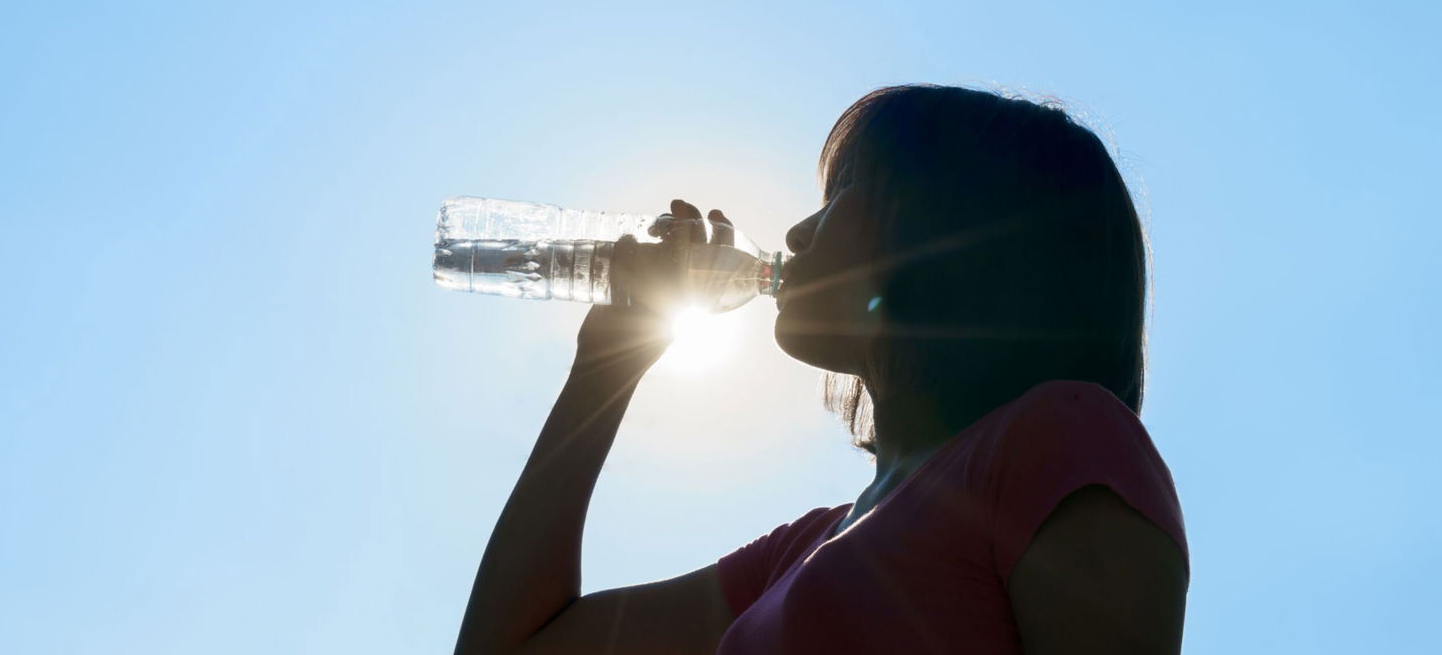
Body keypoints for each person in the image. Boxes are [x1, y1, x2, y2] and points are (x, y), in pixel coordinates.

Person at [452, 84, 1189, 655]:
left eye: (839, 198)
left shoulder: (1061, 436)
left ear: (943, 233)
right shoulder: (802, 552)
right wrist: (608, 362)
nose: (799, 231)